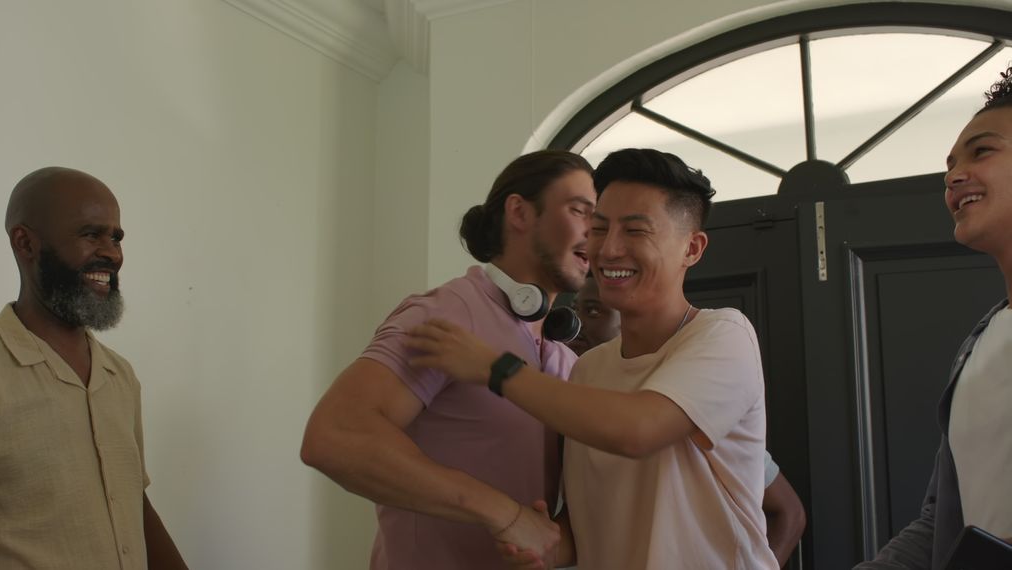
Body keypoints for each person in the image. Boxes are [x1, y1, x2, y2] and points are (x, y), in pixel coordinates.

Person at [408, 148, 779, 569]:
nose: (608, 249)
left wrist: (496, 369)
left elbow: (637, 430)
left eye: (636, 231)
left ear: (692, 248)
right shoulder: (588, 370)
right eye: (599, 228)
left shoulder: (724, 335)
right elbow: (588, 524)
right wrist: (544, 545)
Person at [300, 150, 597, 569]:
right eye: (579, 211)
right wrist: (502, 513)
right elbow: (333, 436)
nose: (594, 233)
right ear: (519, 212)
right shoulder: (448, 313)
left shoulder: (563, 359)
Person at [0, 167, 187, 570]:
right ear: (25, 242)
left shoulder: (119, 377)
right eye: (91, 234)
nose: (112, 253)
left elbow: (130, 505)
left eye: (116, 237)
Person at [855, 66, 1012, 570]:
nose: (953, 175)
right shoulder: (980, 343)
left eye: (982, 152)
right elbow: (941, 519)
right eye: (950, 164)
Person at [568, 274, 806, 567]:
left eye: (593, 311)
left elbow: (789, 511)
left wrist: (504, 371)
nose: (575, 326)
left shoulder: (690, 389)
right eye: (575, 310)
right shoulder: (579, 381)